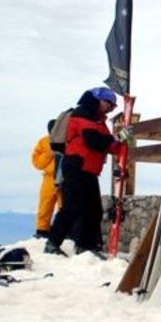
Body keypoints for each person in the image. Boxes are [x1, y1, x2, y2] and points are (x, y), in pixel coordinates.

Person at [44, 87, 132, 257]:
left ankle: (86, 246)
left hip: (89, 170)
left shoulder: (98, 121)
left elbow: (108, 145)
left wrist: (123, 140)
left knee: (93, 210)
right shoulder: (82, 115)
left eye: (114, 105)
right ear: (98, 100)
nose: (112, 108)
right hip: (76, 167)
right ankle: (52, 243)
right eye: (109, 103)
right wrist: (118, 137)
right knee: (72, 207)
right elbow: (93, 141)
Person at [31, 120, 61, 238]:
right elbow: (37, 163)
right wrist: (50, 153)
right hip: (49, 178)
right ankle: (42, 230)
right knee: (45, 206)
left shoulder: (68, 140)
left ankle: (64, 230)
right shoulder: (43, 142)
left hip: (64, 178)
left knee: (64, 206)